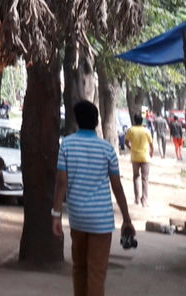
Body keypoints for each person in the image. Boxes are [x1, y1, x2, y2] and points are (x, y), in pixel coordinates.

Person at [52, 99, 134, 296]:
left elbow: (61, 182)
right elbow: (117, 186)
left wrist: (56, 215)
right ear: (97, 122)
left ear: (77, 121)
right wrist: (126, 218)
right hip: (101, 221)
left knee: (79, 267)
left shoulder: (67, 145)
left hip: (78, 218)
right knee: (96, 272)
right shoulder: (107, 149)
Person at [124, 113, 153, 206]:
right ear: (142, 121)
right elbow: (151, 144)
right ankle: (144, 200)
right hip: (145, 157)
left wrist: (131, 148)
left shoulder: (130, 130)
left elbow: (126, 142)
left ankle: (136, 198)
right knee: (145, 179)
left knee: (136, 177)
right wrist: (151, 152)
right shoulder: (146, 131)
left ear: (134, 120)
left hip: (135, 157)